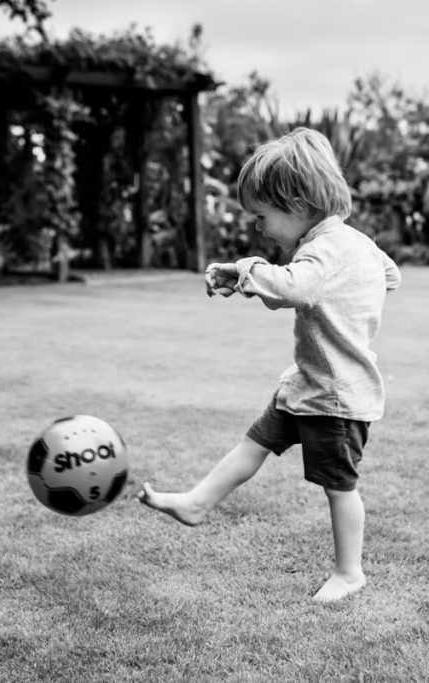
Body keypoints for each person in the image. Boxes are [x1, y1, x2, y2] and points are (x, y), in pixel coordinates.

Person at [138, 127, 401, 603]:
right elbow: (390, 275)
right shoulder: (353, 243)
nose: (258, 227)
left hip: (336, 397)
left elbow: (294, 289)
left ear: (298, 204)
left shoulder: (324, 250)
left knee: (339, 486)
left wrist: (245, 269)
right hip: (306, 385)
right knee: (255, 443)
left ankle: (350, 572)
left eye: (262, 216)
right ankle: (199, 502)